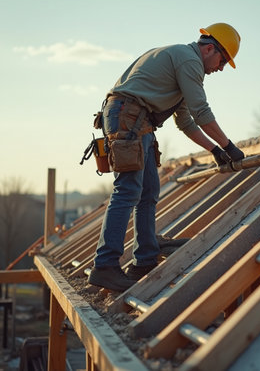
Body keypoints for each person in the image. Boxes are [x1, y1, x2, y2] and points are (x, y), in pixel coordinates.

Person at [88, 23, 245, 291]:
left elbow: (186, 122)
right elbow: (201, 111)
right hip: (129, 117)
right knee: (128, 191)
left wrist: (215, 151)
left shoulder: (181, 63)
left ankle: (145, 260)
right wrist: (229, 146)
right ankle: (105, 266)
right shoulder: (189, 62)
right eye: (222, 60)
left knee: (148, 192)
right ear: (209, 49)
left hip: (138, 120)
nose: (220, 68)